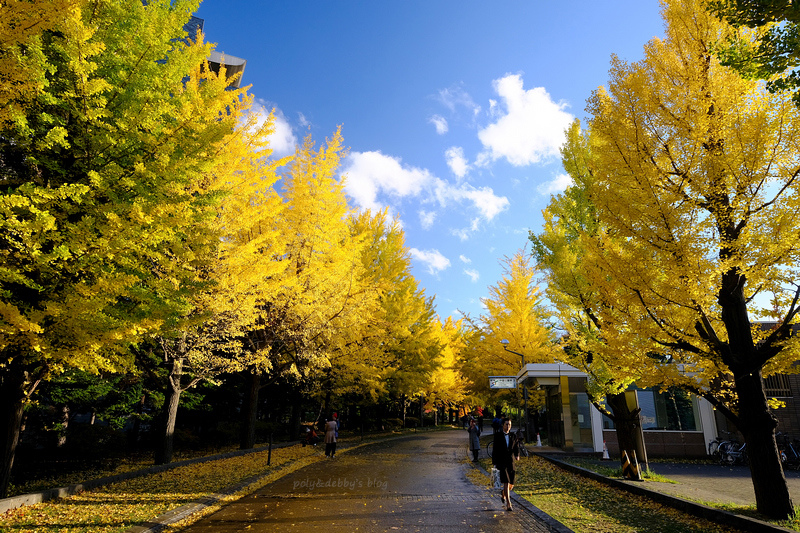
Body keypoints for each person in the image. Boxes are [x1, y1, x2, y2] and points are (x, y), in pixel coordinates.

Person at [492, 417, 520, 511]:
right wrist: (494, 462)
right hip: (501, 462)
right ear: (503, 425)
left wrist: (517, 455)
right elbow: (495, 450)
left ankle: (504, 493)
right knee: (506, 481)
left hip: (511, 462)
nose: (508, 426)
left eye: (510, 425)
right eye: (506, 424)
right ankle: (509, 503)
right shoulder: (498, 436)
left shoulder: (513, 435)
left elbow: (516, 447)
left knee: (511, 484)